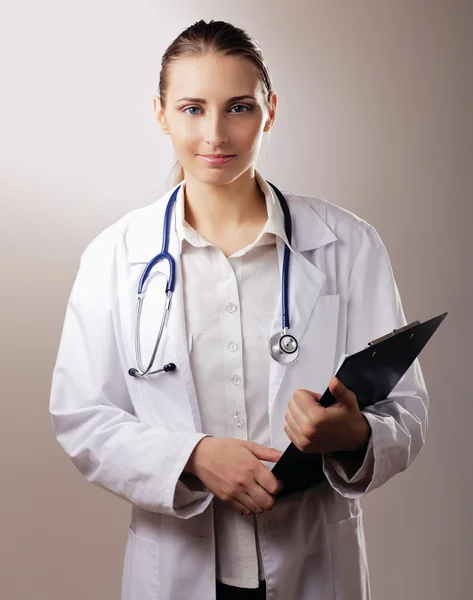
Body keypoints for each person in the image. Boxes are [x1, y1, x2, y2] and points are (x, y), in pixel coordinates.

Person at [49, 19, 429, 600]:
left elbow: (406, 412)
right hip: (177, 566)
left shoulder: (347, 245)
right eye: (192, 108)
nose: (215, 134)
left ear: (270, 110)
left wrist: (354, 434)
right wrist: (193, 457)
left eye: (239, 107)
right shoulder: (116, 257)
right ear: (161, 114)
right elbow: (81, 416)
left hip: (310, 563)